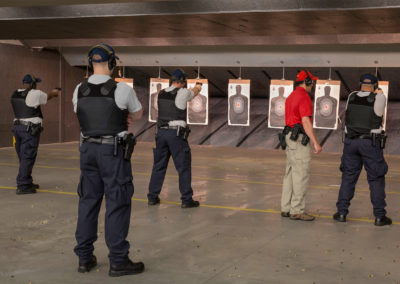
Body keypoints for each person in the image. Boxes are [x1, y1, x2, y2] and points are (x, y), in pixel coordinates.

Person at [72, 43, 145, 276]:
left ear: (90, 63)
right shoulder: (121, 89)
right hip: (112, 153)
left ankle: (84, 259)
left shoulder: (78, 90)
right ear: (112, 63)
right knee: (117, 202)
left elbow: (83, 115)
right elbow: (138, 114)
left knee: (88, 202)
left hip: (87, 152)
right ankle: (118, 260)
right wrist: (122, 117)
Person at [333, 74, 391, 226]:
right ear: (375, 84)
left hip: (351, 142)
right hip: (369, 143)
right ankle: (379, 216)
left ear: (360, 84)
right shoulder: (379, 98)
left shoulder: (352, 96)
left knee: (348, 177)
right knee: (376, 178)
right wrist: (378, 94)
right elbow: (379, 113)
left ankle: (341, 213)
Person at [147, 69, 202, 208]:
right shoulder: (183, 92)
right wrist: (198, 86)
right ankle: (186, 199)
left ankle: (152, 197)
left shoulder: (162, 93)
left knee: (158, 166)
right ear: (182, 82)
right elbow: (193, 92)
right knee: (183, 167)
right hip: (175, 135)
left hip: (161, 133)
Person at [279, 70, 322, 221]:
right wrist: (316, 143)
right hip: (298, 139)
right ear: (307, 82)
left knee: (290, 173)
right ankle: (297, 210)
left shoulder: (291, 96)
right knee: (301, 174)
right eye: (312, 82)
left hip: (289, 137)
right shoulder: (304, 97)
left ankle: (286, 207)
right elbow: (305, 121)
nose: (313, 85)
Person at [11, 74, 59, 195]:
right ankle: (22, 185)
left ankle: (27, 181)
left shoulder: (15, 93)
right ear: (33, 84)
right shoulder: (36, 93)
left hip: (17, 128)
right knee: (27, 157)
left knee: (23, 157)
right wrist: (54, 93)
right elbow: (47, 97)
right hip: (29, 130)